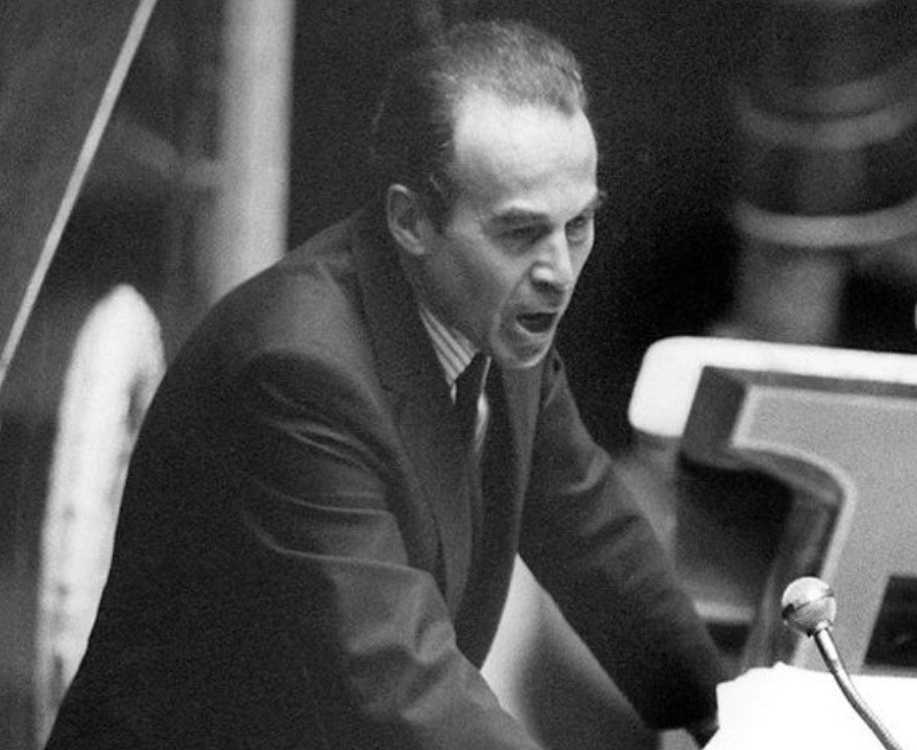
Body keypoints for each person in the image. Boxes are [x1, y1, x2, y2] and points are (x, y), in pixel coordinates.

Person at [44, 19, 728, 749]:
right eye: (521, 232)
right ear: (410, 220)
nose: (560, 270)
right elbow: (398, 678)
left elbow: (592, 536)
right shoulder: (295, 371)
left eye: (580, 224)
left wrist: (725, 714)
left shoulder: (496, 316)